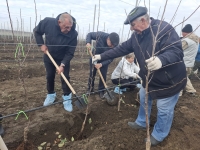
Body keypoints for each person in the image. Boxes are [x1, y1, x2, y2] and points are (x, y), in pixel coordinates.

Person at [92, 6, 187, 146]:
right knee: (144, 97)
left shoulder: (164, 29)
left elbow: (176, 51)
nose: (131, 28)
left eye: (132, 25)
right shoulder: (136, 36)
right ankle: (142, 122)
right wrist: (101, 56)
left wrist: (161, 60)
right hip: (149, 78)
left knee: (163, 108)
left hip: (169, 80)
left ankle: (159, 134)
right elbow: (121, 49)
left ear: (143, 20)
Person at [33, 12, 78, 112]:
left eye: (70, 27)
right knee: (50, 75)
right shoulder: (47, 22)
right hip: (49, 55)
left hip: (63, 58)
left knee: (65, 77)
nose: (68, 30)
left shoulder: (73, 34)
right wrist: (41, 45)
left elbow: (70, 52)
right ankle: (51, 95)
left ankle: (67, 98)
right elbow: (37, 31)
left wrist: (63, 64)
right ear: (59, 22)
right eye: (66, 27)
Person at [86, 32, 119, 99]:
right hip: (94, 57)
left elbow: (110, 59)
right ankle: (90, 89)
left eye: (114, 45)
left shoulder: (114, 47)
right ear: (108, 39)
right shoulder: (101, 35)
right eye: (112, 44)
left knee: (103, 75)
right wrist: (88, 42)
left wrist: (101, 64)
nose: (112, 46)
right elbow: (89, 34)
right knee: (92, 74)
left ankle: (101, 91)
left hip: (104, 60)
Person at [180, 24, 199, 96]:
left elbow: (177, 49)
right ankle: (191, 90)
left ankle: (179, 93)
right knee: (184, 77)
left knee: (179, 78)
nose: (182, 34)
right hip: (190, 63)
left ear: (186, 32)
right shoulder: (195, 41)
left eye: (182, 32)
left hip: (183, 63)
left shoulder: (186, 41)